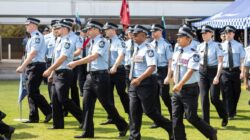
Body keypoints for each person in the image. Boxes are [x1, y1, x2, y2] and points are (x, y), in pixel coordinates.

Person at [68, 20, 128, 138]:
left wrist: (76, 62)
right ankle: (87, 132)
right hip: (90, 76)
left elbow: (94, 57)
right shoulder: (92, 41)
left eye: (89, 29)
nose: (87, 32)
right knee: (87, 104)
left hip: (101, 77)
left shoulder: (102, 41)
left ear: (96, 29)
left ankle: (122, 125)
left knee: (107, 104)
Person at [172, 26, 217, 140]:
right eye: (178, 37)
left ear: (188, 39)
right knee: (176, 117)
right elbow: (172, 67)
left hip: (189, 89)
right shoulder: (177, 52)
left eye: (180, 37)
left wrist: (180, 84)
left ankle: (211, 132)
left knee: (191, 117)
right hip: (177, 89)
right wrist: (169, 77)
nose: (178, 39)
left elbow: (190, 70)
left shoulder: (194, 54)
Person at [128, 24, 173, 140]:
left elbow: (152, 67)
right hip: (135, 83)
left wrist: (139, 79)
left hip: (146, 82)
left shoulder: (148, 49)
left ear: (143, 36)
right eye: (133, 35)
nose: (133, 37)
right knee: (133, 110)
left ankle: (170, 126)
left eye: (136, 35)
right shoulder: (137, 48)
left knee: (149, 111)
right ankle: (134, 136)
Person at [43, 20, 83, 129]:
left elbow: (62, 58)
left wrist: (49, 69)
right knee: (55, 99)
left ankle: (83, 118)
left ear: (65, 29)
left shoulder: (68, 42)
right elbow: (55, 59)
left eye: (59, 28)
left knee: (63, 99)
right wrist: (52, 73)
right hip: (57, 73)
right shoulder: (59, 40)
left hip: (65, 72)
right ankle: (58, 125)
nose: (56, 30)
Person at [16, 17, 52, 123]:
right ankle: (33, 117)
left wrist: (23, 66)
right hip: (32, 66)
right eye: (26, 25)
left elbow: (33, 53)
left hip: (37, 66)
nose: (26, 26)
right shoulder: (31, 37)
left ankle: (49, 111)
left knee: (31, 91)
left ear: (34, 25)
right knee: (31, 91)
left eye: (28, 25)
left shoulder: (37, 37)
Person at [197, 25, 228, 126]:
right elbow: (197, 62)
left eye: (206, 33)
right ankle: (206, 124)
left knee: (214, 98)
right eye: (202, 33)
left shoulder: (217, 45)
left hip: (213, 71)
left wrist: (217, 76)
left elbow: (220, 62)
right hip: (202, 71)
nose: (203, 35)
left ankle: (224, 115)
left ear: (211, 34)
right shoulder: (199, 46)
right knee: (203, 98)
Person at [100, 22, 129, 125]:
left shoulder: (119, 41)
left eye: (107, 29)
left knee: (121, 93)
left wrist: (115, 66)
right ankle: (112, 116)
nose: (105, 31)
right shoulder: (105, 41)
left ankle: (130, 113)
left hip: (118, 70)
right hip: (107, 70)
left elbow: (121, 55)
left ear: (113, 30)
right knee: (108, 94)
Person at [150, 24, 173, 128]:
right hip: (153, 72)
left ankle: (174, 114)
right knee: (154, 97)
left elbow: (170, 61)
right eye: (152, 31)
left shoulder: (166, 44)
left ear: (160, 31)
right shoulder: (150, 45)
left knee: (164, 96)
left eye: (155, 31)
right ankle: (158, 120)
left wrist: (168, 76)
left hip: (163, 71)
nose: (153, 33)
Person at [220, 25, 245, 120]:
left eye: (230, 33)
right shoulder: (220, 46)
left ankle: (232, 110)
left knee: (236, 92)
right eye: (226, 33)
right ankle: (229, 112)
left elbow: (242, 59)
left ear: (233, 34)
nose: (228, 35)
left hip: (236, 71)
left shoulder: (239, 45)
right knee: (227, 92)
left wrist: (242, 72)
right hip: (225, 71)